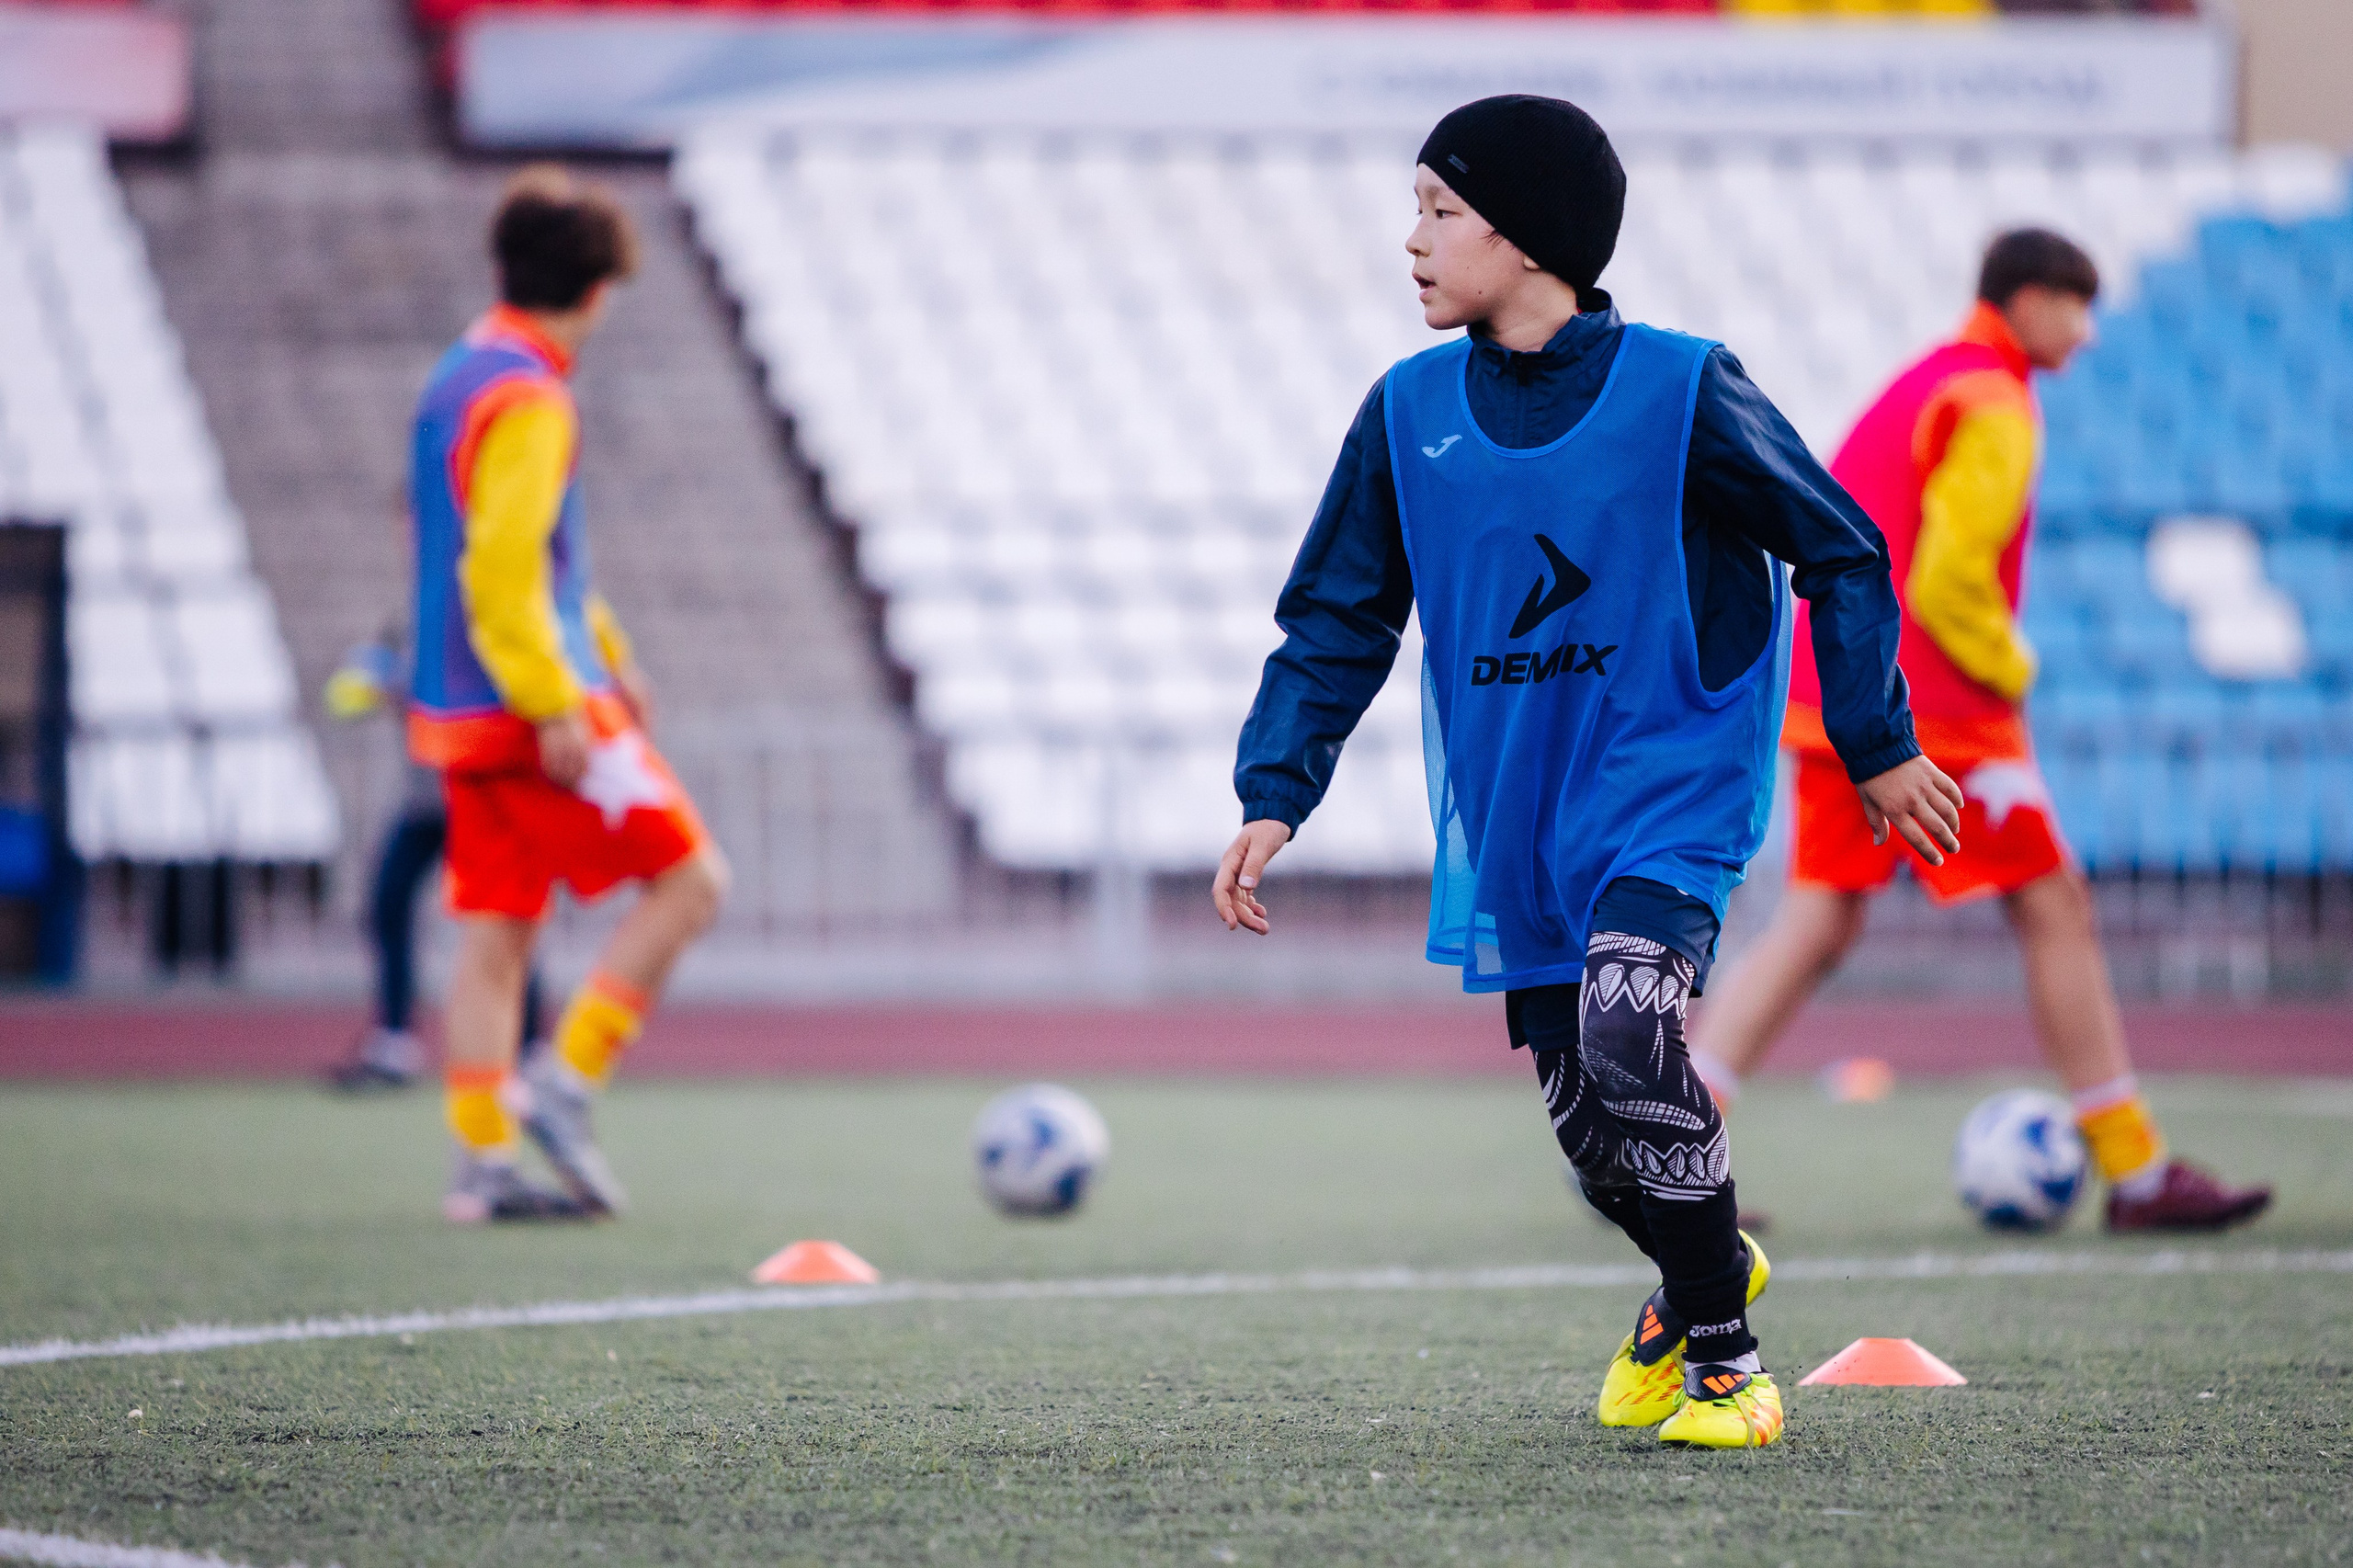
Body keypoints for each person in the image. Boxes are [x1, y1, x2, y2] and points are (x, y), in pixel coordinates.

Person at [1212, 96, 1962, 1449]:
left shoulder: (1686, 387)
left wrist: (1878, 739)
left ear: (1527, 236)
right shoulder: (1405, 413)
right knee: (1593, 1142)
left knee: (1629, 1028)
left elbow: (1842, 547)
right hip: (1519, 817)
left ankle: (1727, 1366)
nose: (1412, 240)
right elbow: (1336, 617)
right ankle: (1700, 1268)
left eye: (1440, 210)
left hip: (1670, 789)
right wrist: (1276, 790)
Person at [1688, 230, 2272, 1233]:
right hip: (1934, 709)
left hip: (1835, 690)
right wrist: (2012, 670)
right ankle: (2134, 1171)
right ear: (2029, 301)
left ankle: (1664, 1147)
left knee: (1820, 918)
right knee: (2055, 904)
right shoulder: (1994, 399)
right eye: (2075, 309)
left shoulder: (1932, 378)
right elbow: (1950, 580)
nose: (2086, 335)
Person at [407, 165, 728, 1224]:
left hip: (455, 710)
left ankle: (482, 1162)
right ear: (596, 292)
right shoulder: (532, 397)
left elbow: (510, 554)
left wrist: (609, 644)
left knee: (496, 933)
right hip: (527, 706)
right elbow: (507, 567)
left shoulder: (458, 374)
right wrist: (556, 696)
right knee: (691, 882)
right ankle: (566, 1081)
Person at [317, 630, 550, 1093]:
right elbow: (348, 700)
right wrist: (382, 681)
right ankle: (395, 1041)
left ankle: (529, 1049)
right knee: (388, 905)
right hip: (426, 807)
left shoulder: (482, 650)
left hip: (477, 802)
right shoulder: (418, 653)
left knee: (505, 920)